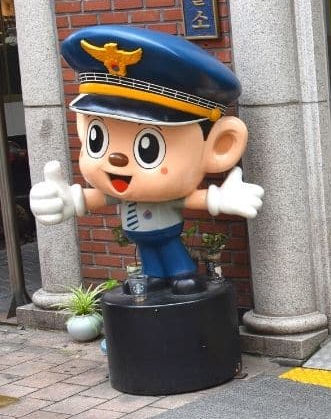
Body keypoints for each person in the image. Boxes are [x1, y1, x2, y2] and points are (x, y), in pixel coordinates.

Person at [29, 25, 263, 294]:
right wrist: (67, 201)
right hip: (140, 237)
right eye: (97, 139)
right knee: (149, 255)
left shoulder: (167, 196)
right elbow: (96, 197)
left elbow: (191, 199)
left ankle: (181, 273)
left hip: (167, 233)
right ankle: (154, 276)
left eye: (148, 148)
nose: (116, 159)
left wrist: (220, 199)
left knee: (171, 250)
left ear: (220, 146)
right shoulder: (120, 190)